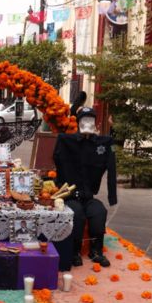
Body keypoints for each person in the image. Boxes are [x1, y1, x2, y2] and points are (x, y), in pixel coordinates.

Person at [53, 93, 117, 268]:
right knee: (76, 214)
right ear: (78, 123)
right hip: (71, 194)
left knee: (99, 212)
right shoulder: (68, 141)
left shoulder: (102, 143)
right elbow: (58, 152)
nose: (87, 124)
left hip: (89, 195)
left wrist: (113, 131)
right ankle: (74, 251)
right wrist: (60, 181)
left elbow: (112, 157)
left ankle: (96, 250)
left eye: (91, 120)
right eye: (84, 121)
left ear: (96, 123)